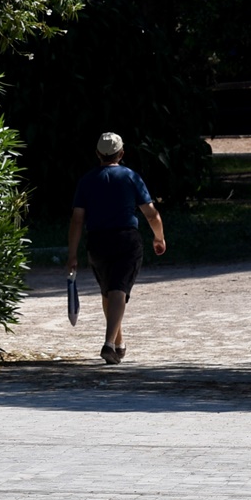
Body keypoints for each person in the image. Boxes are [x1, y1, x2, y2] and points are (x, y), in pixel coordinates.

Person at [66, 132, 165, 365]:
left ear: (97, 154)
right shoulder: (130, 177)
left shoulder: (87, 181)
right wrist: (159, 237)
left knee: (107, 292)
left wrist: (72, 254)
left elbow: (77, 220)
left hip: (97, 242)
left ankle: (118, 344)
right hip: (126, 239)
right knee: (119, 289)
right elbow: (151, 214)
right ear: (121, 154)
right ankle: (109, 343)